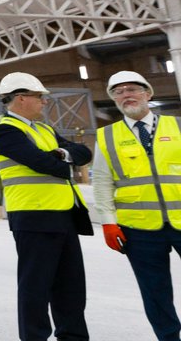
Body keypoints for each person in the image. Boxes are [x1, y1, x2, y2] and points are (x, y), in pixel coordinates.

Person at [0, 71, 92, 341]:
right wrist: (63, 161)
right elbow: (42, 163)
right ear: (21, 98)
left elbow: (84, 152)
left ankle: (74, 337)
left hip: (65, 216)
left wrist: (62, 154)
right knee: (36, 288)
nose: (44, 102)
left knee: (71, 287)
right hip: (34, 218)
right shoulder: (5, 131)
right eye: (39, 97)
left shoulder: (45, 130)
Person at [93, 70, 181, 341]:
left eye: (132, 89)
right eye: (118, 92)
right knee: (155, 291)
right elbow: (102, 181)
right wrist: (108, 221)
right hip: (139, 228)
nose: (125, 95)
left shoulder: (177, 126)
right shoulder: (106, 136)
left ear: (148, 93)